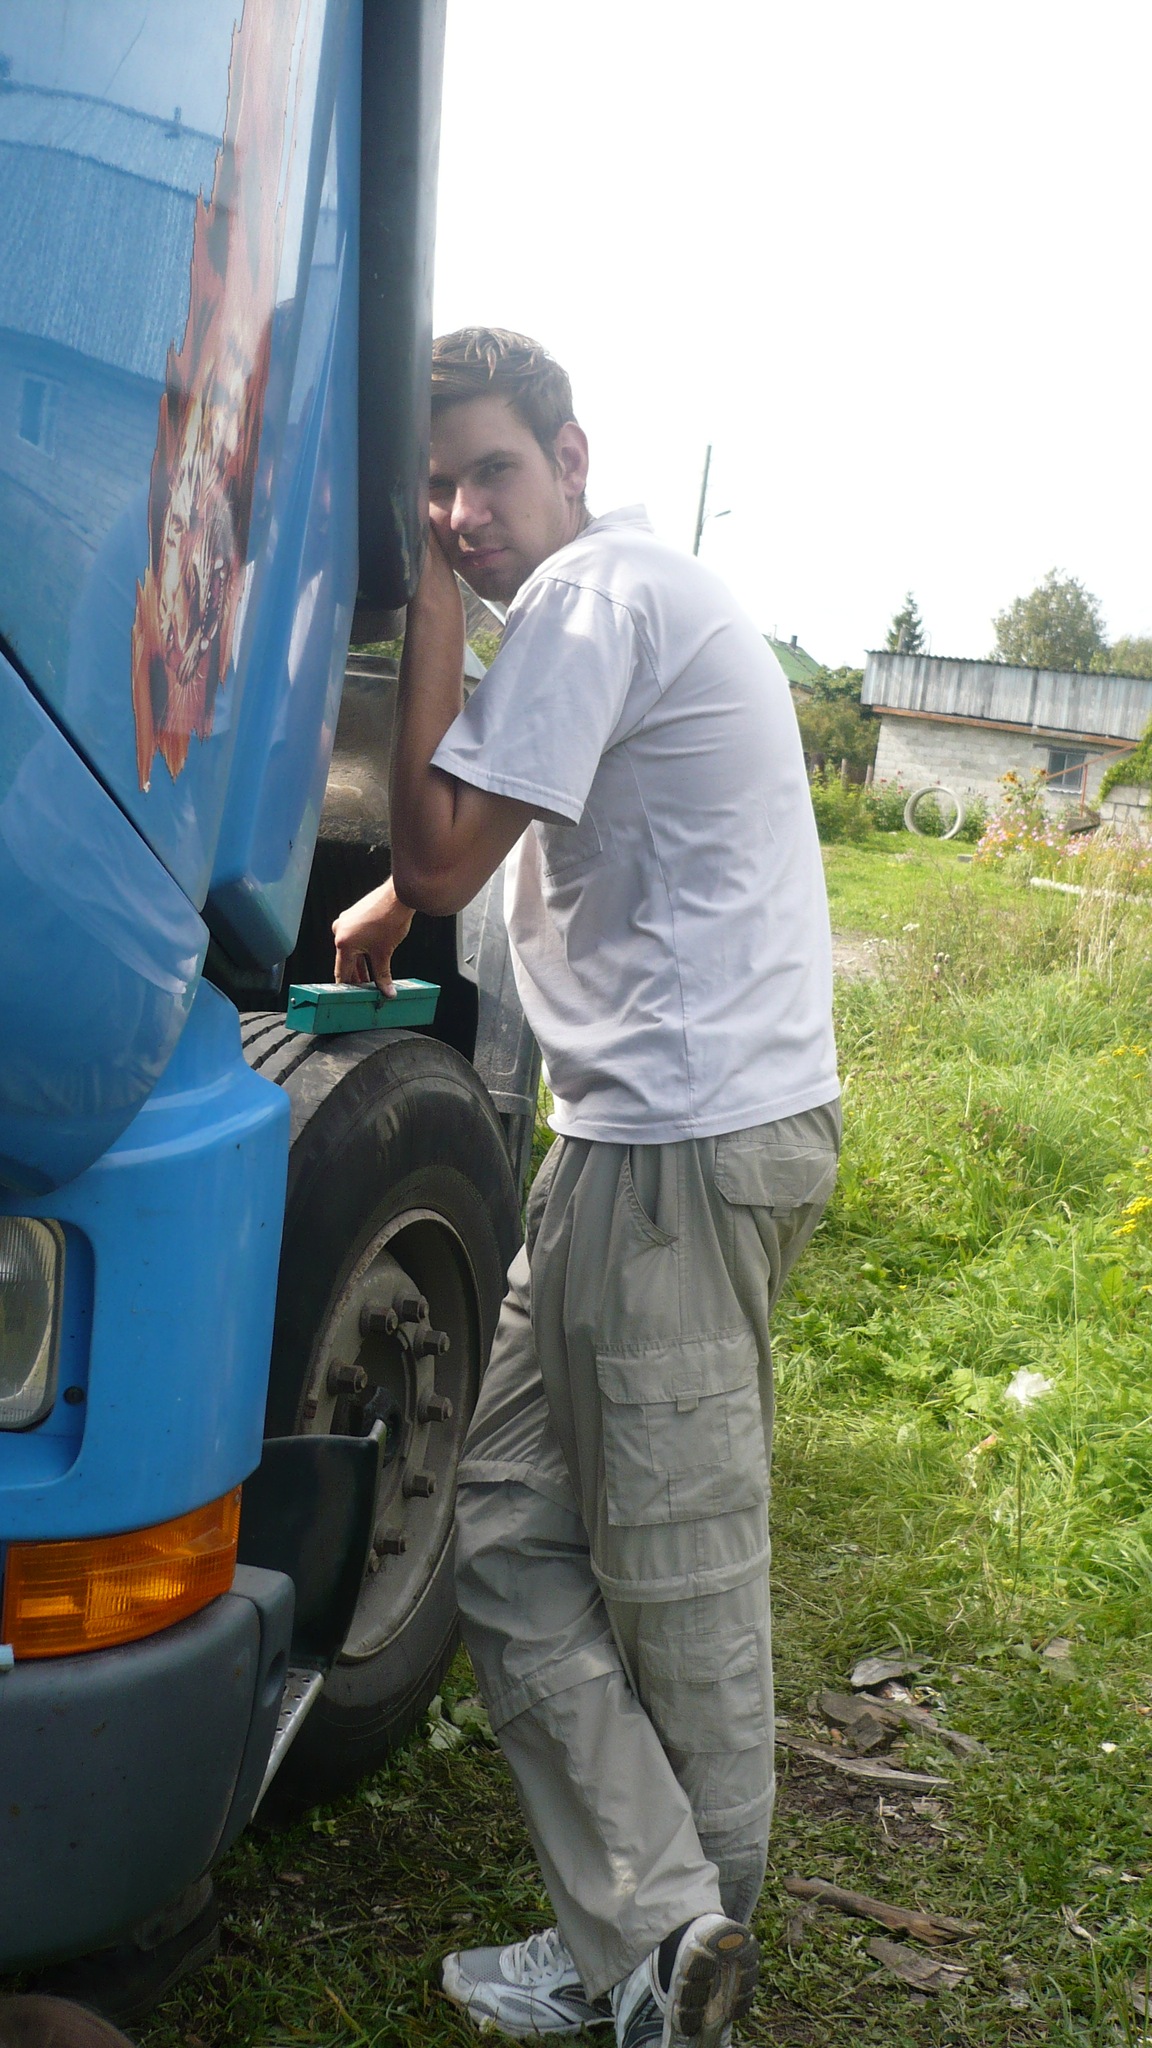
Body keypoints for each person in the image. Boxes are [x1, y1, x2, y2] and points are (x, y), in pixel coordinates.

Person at [332, 329, 840, 2048]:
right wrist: (407, 900)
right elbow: (525, 820)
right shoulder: (611, 604)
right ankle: (652, 1928)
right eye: (433, 491)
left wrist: (421, 604)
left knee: (676, 1569)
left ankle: (685, 1971)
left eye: (486, 472)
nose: (460, 514)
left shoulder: (587, 595)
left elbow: (440, 840)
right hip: (638, 1144)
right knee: (495, 1513)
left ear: (570, 456)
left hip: (677, 1149)